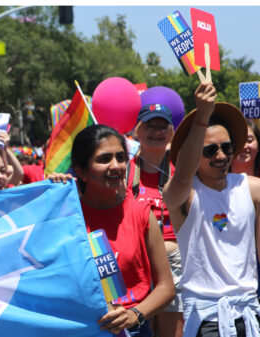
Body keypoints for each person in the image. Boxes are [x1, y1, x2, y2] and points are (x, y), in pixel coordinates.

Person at [50, 124, 175, 337]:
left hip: (134, 331)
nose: (116, 166)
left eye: (120, 157)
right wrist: (51, 196)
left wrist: (135, 314)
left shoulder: (141, 214)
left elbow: (166, 287)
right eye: (104, 159)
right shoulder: (66, 218)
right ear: (81, 171)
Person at [163, 82, 260, 337]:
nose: (221, 156)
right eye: (210, 150)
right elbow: (183, 175)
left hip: (250, 314)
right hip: (207, 319)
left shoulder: (250, 189)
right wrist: (202, 116)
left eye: (227, 147)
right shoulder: (182, 195)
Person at [128, 104, 183, 337]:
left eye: (163, 126)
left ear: (171, 133)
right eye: (150, 125)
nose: (156, 131)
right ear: (137, 131)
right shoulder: (123, 170)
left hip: (175, 264)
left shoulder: (182, 170)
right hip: (138, 263)